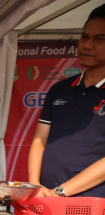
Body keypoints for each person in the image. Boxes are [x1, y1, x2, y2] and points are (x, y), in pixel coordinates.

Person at [28, 4, 105, 198]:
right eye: (85, 37)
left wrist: (60, 192)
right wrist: (35, 185)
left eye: (99, 39)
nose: (87, 45)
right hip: (45, 198)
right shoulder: (59, 89)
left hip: (91, 205)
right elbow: (39, 140)